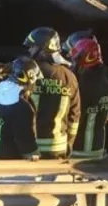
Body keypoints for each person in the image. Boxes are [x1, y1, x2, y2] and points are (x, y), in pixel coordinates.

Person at [23, 26, 81, 159]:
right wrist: (69, 143)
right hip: (58, 149)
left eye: (32, 47)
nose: (29, 50)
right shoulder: (69, 77)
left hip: (31, 149)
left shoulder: (28, 74)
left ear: (43, 49)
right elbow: (75, 116)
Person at [0, 57, 42, 160]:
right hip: (8, 159)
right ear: (30, 78)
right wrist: (36, 156)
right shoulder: (22, 106)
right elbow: (26, 142)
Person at [69, 38, 108, 159]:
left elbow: (71, 114)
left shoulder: (81, 85)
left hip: (77, 150)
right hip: (98, 148)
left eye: (76, 60)